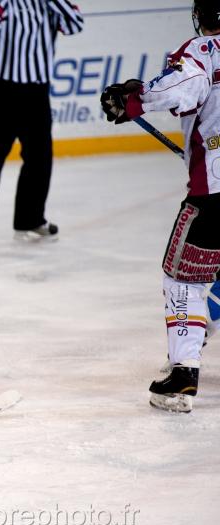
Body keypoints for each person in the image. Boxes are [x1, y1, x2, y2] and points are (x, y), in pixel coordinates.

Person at [100, 0, 220, 413]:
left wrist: (133, 100)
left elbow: (180, 88)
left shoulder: (203, 50)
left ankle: (183, 372)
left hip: (214, 193)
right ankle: (199, 332)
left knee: (183, 278)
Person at [0, 0, 84, 250]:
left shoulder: (52, 4)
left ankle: (30, 219)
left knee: (39, 158)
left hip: (37, 91)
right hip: (3, 90)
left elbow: (75, 24)